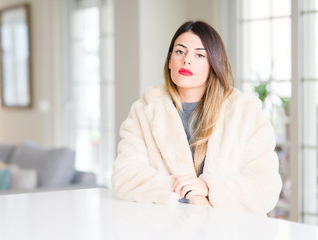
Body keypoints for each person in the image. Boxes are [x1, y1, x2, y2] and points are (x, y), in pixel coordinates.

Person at [111, 20, 282, 216]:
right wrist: (187, 192)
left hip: (231, 231)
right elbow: (124, 177)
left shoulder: (245, 113)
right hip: (166, 229)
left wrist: (208, 187)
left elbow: (266, 187)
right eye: (180, 52)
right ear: (169, 60)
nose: (187, 60)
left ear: (214, 64)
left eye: (199, 55)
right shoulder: (144, 111)